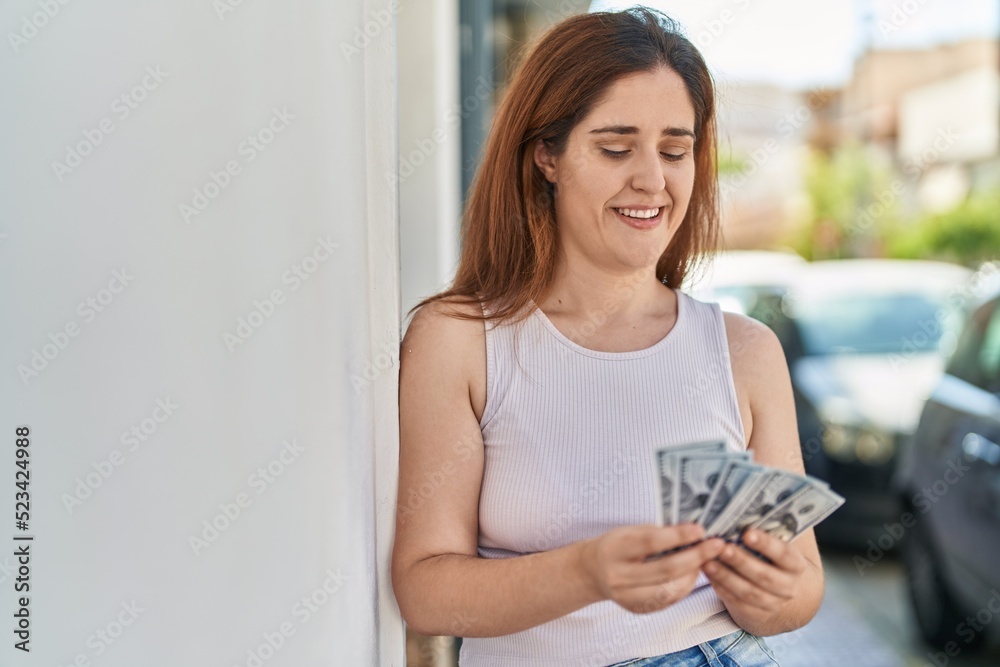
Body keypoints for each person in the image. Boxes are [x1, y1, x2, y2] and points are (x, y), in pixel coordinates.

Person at [391, 8, 823, 666]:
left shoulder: (746, 351)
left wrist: (777, 594)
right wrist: (589, 571)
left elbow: (802, 588)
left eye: (675, 150)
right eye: (617, 148)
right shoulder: (458, 340)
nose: (653, 178)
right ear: (547, 156)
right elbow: (424, 590)